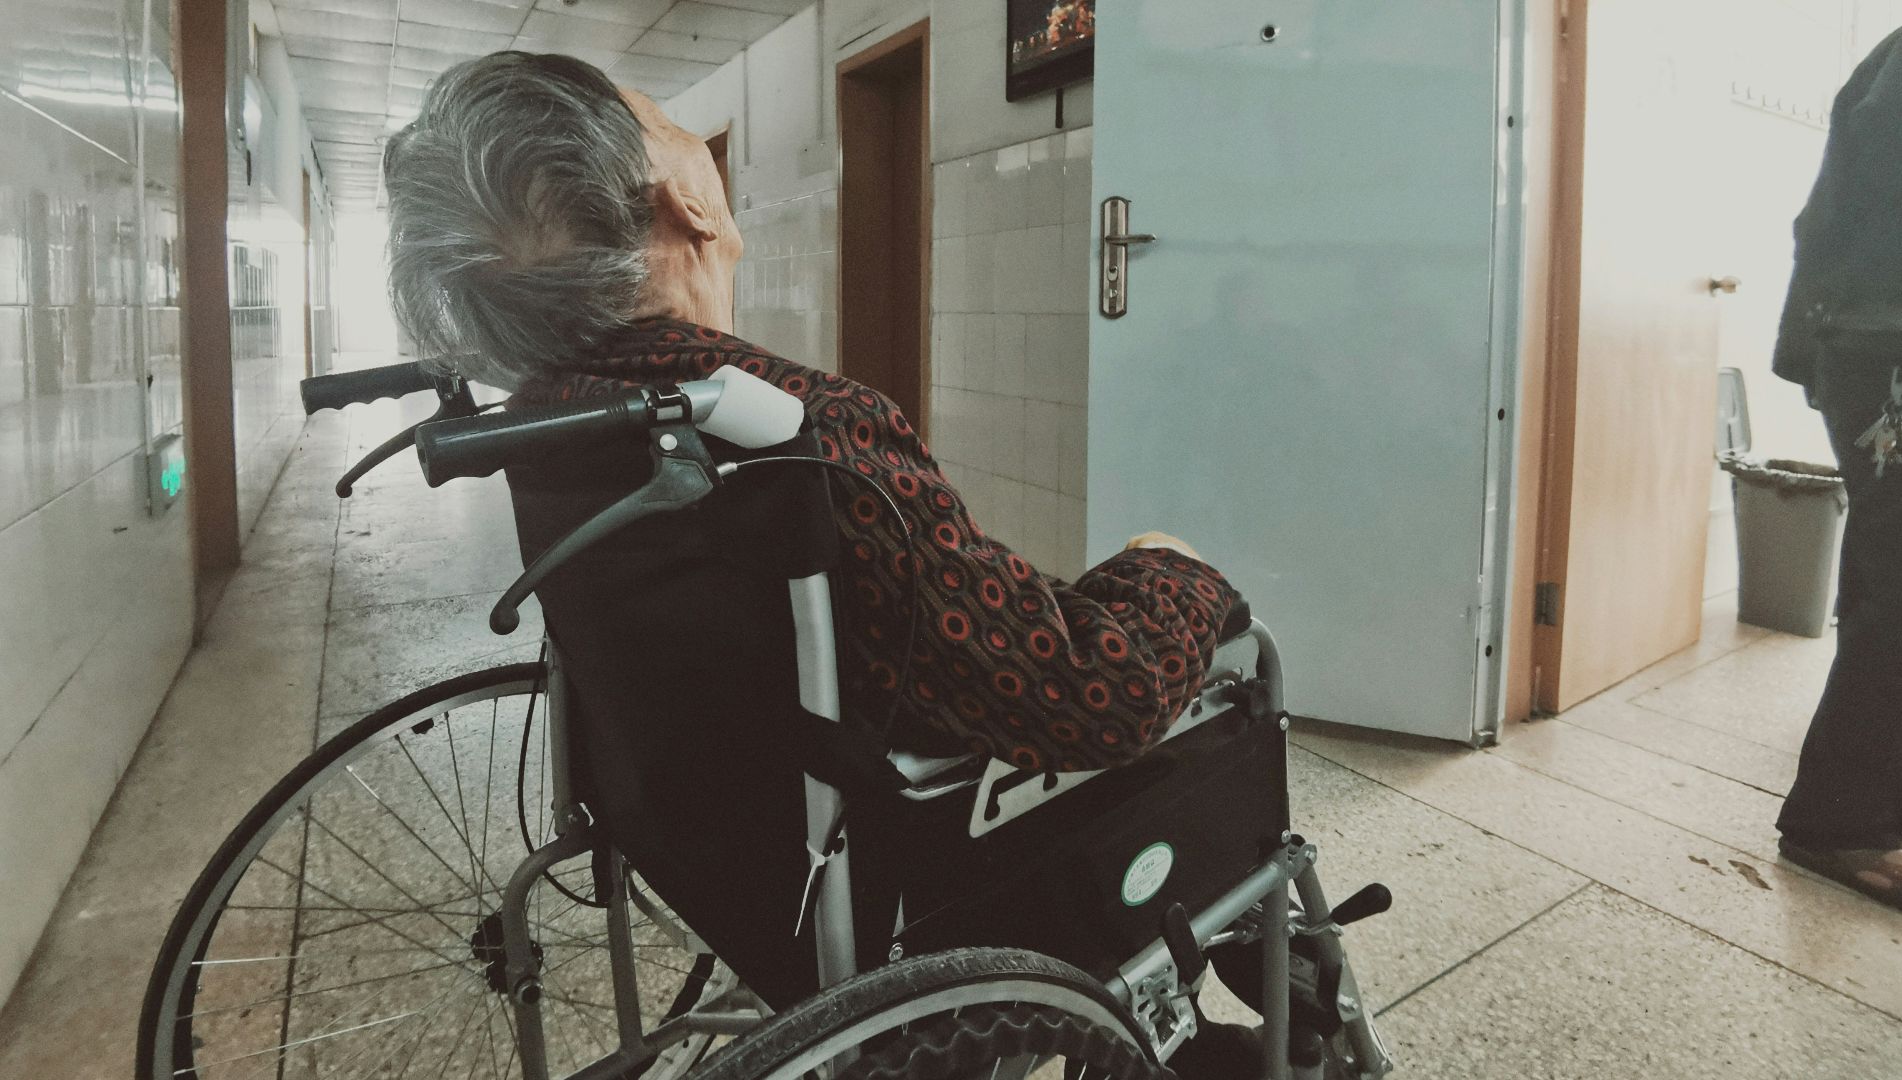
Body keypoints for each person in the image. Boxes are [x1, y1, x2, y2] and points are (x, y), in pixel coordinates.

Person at [383, 52, 1263, 1071]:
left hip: (713, 857)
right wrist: (1171, 570)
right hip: (897, 893)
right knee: (1229, 676)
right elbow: (1086, 697)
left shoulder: (552, 419)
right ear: (686, 204)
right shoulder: (810, 432)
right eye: (666, 120)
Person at [1772, 19, 1902, 915]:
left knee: (1898, 581)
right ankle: (1839, 821)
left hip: (1881, 344)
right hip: (1893, 353)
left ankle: (1892, 795)